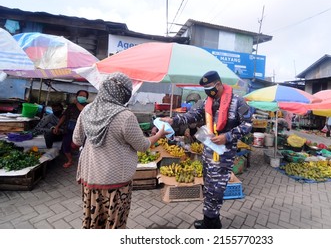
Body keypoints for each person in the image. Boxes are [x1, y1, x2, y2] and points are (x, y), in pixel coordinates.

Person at [72, 72, 168, 229]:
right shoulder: (125, 116)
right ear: (124, 94)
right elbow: (143, 146)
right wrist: (159, 134)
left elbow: (76, 140)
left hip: (89, 178)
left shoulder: (87, 110)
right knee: (114, 223)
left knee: (93, 221)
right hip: (115, 183)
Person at [161, 70, 252, 229]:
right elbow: (191, 116)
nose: (207, 92)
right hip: (208, 151)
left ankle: (211, 224)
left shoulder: (238, 101)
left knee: (217, 188)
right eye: (205, 89)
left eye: (209, 87)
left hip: (223, 153)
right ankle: (211, 220)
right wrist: (172, 120)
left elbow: (248, 124)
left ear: (218, 84)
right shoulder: (206, 102)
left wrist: (228, 136)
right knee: (209, 186)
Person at [53, 89, 89, 168]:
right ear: (76, 96)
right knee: (66, 145)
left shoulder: (88, 106)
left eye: (84, 96)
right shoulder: (71, 106)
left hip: (81, 130)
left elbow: (83, 111)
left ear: (86, 98)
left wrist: (77, 103)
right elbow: (64, 116)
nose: (82, 97)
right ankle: (70, 160)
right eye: (80, 95)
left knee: (81, 146)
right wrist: (57, 126)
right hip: (69, 129)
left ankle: (82, 163)